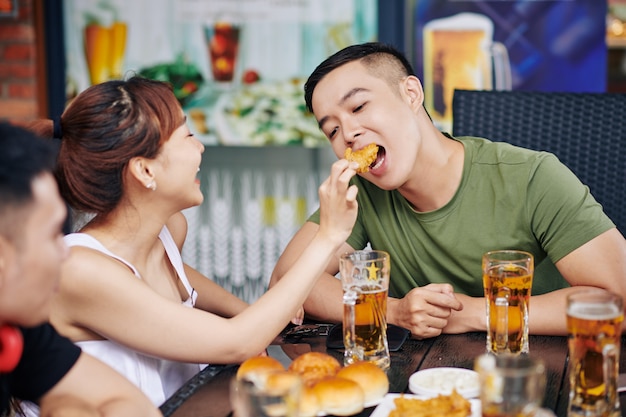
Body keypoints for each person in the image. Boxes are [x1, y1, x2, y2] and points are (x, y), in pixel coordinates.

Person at [25, 76, 359, 406]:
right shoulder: (80, 270)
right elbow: (236, 343)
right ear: (144, 171)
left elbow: (178, 278)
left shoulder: (167, 233)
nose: (200, 147)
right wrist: (328, 236)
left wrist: (248, 313)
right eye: (187, 135)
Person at [268, 42, 626, 339]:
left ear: (411, 93)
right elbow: (289, 280)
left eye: (359, 106)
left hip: (542, 370)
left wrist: (474, 313)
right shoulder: (359, 194)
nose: (348, 135)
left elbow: (618, 300)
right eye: (331, 130)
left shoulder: (533, 176)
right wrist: (395, 311)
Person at [0, 122, 161, 417]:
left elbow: (137, 405)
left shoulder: (18, 329)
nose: (65, 251)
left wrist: (65, 403)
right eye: (51, 236)